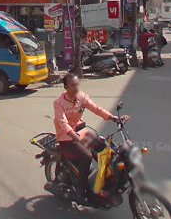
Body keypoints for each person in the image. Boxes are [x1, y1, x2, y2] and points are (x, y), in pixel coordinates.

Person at [53, 73, 129, 203]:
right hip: (66, 137)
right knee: (87, 156)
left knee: (103, 146)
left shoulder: (81, 97)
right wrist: (77, 139)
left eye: (77, 85)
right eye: (72, 85)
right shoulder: (59, 103)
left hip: (80, 131)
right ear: (65, 87)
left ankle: (104, 181)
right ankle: (82, 190)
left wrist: (113, 118)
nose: (76, 88)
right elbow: (63, 123)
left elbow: (96, 108)